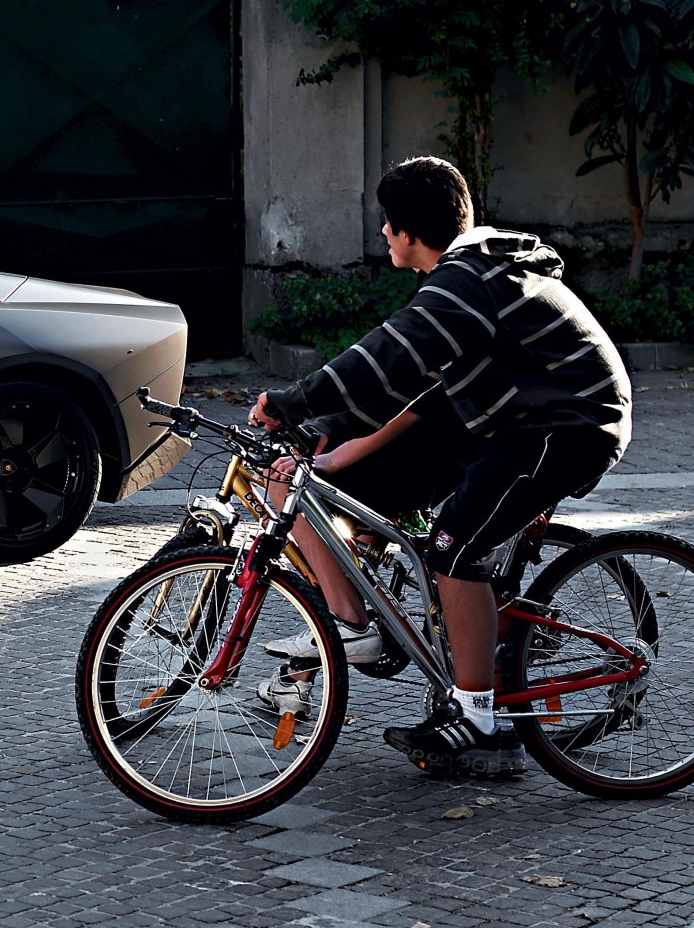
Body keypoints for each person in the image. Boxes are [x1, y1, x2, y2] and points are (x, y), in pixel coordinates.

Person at [250, 156, 632, 779]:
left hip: (562, 427)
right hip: (512, 416)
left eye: (385, 223)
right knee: (363, 492)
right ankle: (373, 623)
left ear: (407, 230)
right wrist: (341, 434)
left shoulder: (467, 280)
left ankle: (478, 718)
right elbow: (424, 386)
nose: (380, 234)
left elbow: (389, 357)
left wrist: (297, 399)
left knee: (453, 549)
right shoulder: (468, 275)